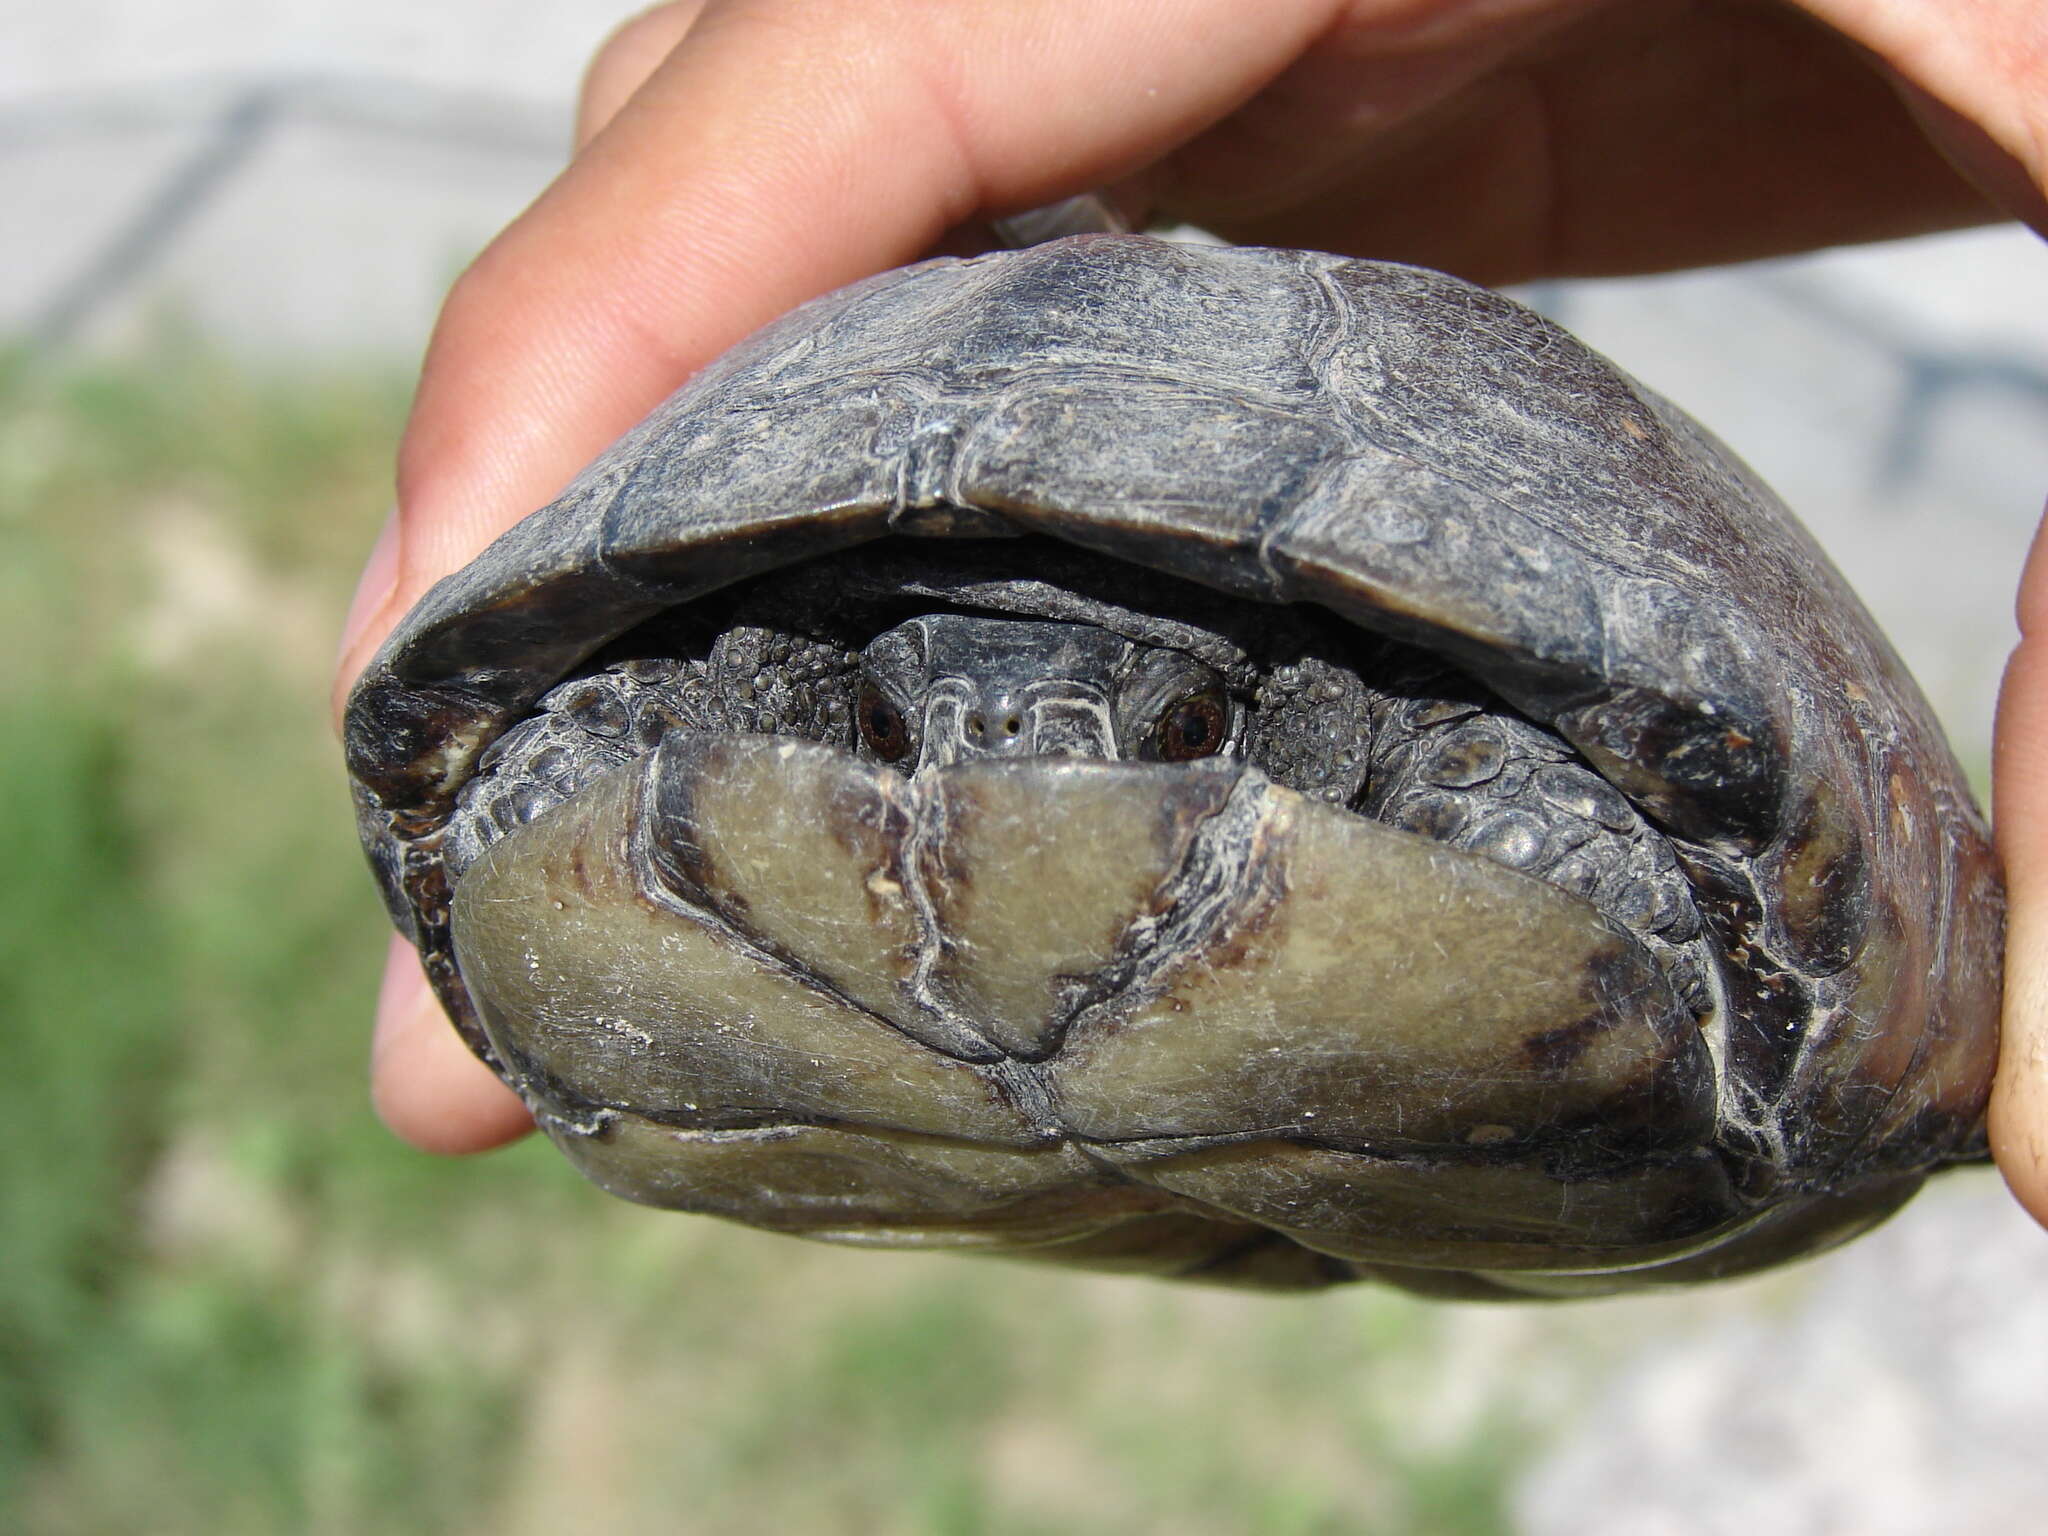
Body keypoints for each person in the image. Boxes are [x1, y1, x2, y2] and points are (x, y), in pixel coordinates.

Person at [331, 0, 2048, 1225]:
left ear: (1245, 705)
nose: (1023, 771)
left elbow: (1704, 833)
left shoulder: (1418, 736)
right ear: (829, 686)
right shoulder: (701, 683)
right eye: (889, 721)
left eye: (1161, 728)